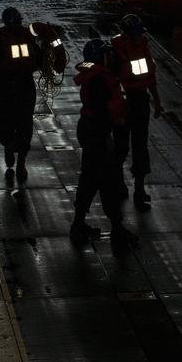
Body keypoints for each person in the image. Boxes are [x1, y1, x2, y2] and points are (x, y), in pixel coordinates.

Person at [71, 39, 138, 247]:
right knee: (107, 181)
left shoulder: (98, 76)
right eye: (107, 55)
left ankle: (79, 224)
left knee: (90, 180)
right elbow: (103, 112)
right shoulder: (99, 80)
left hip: (93, 131)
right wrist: (116, 125)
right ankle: (116, 228)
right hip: (97, 134)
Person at [0, 7, 44, 183]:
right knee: (16, 125)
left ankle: (17, 157)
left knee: (16, 125)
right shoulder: (22, 38)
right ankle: (14, 154)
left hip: (13, 87)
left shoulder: (2, 39)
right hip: (19, 87)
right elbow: (39, 60)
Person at [111, 13, 162, 211]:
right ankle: (118, 182)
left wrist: (157, 100)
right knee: (121, 146)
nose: (139, 36)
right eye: (136, 33)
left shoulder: (143, 46)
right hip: (123, 102)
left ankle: (139, 189)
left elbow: (150, 76)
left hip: (140, 100)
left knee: (140, 145)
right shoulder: (115, 50)